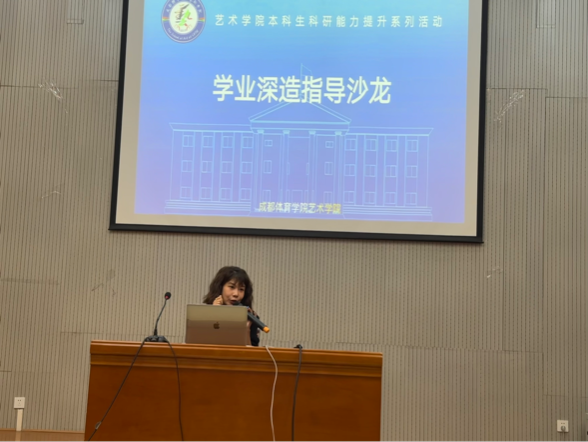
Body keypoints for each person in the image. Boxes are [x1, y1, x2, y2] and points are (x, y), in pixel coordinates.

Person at [203, 266, 261, 346]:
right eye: (231, 287)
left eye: (241, 289)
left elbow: (252, 352)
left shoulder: (251, 317)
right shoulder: (203, 314)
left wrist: (246, 329)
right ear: (220, 287)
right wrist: (214, 314)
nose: (236, 294)